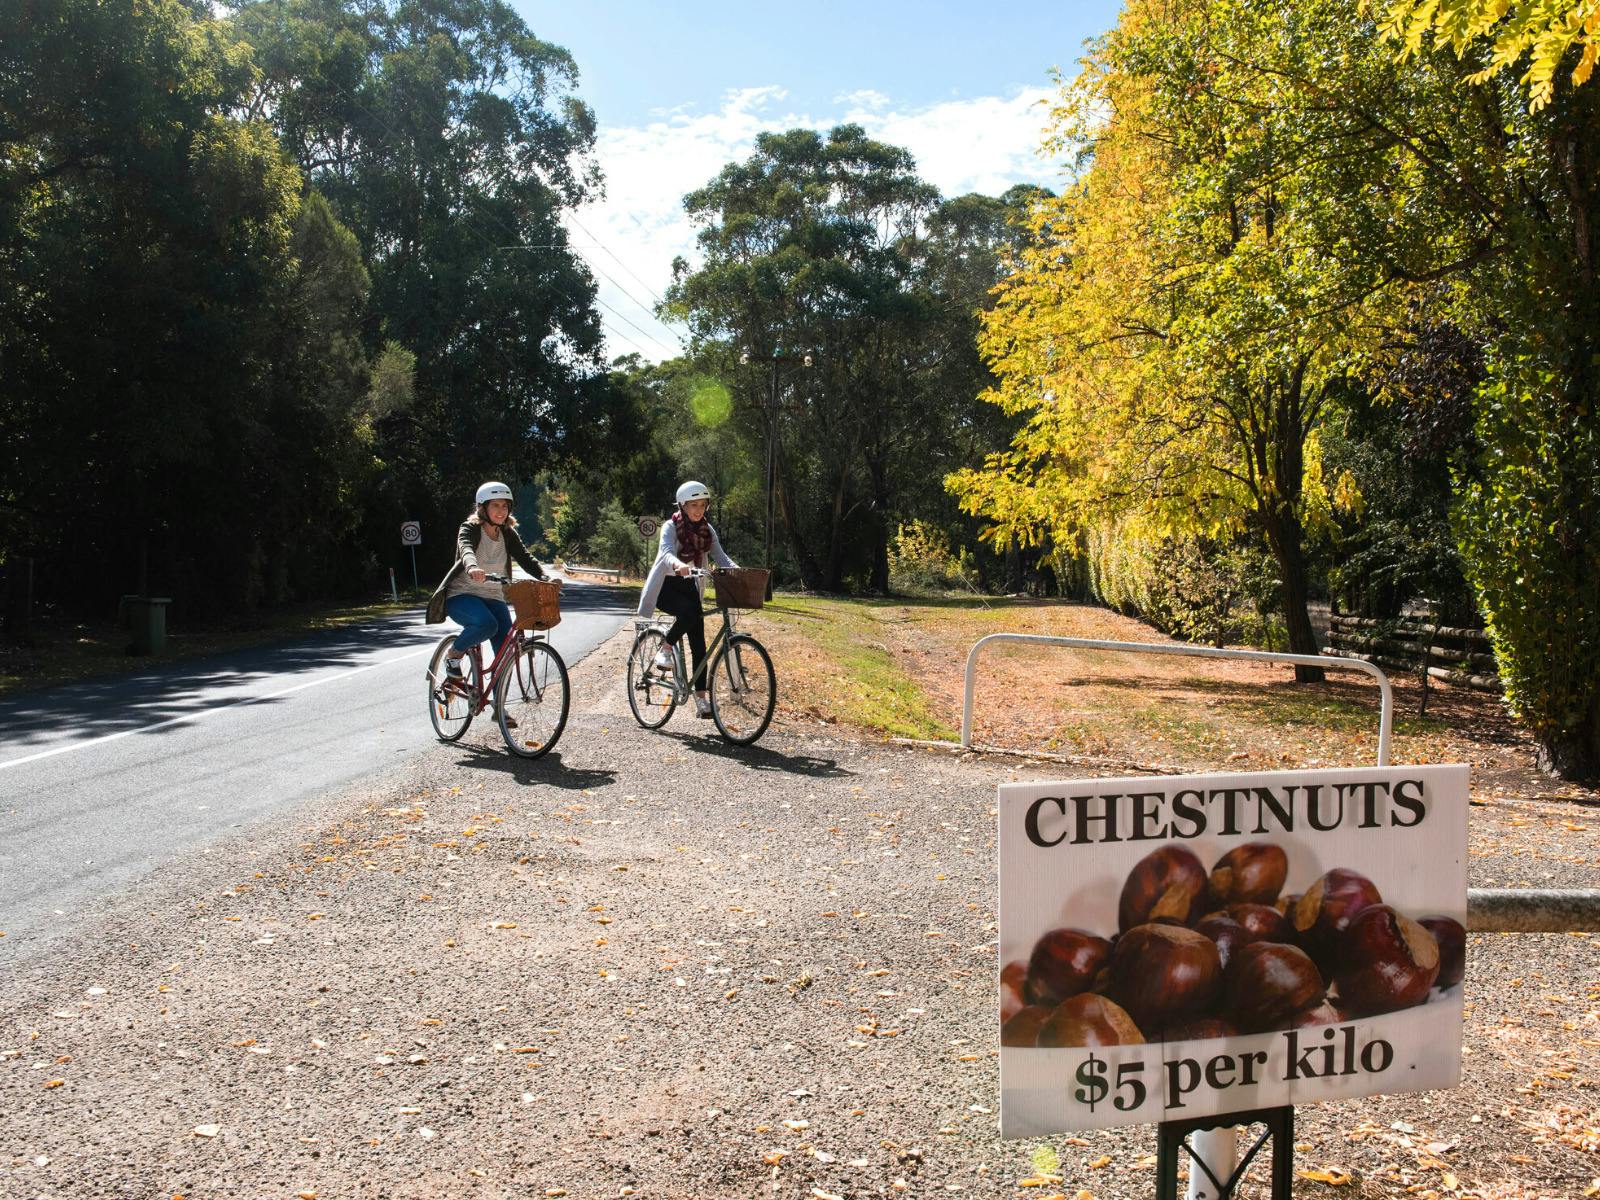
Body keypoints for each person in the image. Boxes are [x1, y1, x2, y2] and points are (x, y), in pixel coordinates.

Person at [425, 482, 557, 698]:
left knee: (505, 652)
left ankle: (499, 708)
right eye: (495, 505)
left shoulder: (508, 533)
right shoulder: (469, 528)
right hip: (462, 596)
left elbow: (525, 557)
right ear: (482, 507)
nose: (501, 511)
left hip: (494, 596)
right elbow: (465, 548)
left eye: (505, 506)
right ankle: (454, 655)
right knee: (487, 624)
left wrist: (546, 577)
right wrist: (472, 567)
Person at [637, 480, 737, 718]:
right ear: (682, 505)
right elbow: (666, 553)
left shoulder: (706, 530)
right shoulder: (670, 527)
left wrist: (739, 570)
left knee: (699, 644)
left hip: (689, 586)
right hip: (665, 586)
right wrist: (679, 565)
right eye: (693, 505)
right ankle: (666, 647)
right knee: (690, 614)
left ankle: (701, 701)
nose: (698, 510)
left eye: (703, 505)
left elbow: (721, 557)